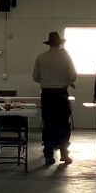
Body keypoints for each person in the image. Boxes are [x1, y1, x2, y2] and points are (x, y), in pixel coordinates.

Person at [33, 31, 77, 166]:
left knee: (48, 123)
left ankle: (48, 155)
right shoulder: (66, 57)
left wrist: (47, 80)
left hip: (47, 94)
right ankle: (64, 153)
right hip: (61, 94)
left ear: (49, 44)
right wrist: (64, 80)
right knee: (64, 123)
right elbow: (73, 76)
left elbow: (35, 77)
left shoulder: (41, 57)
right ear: (60, 43)